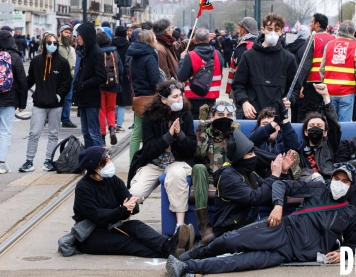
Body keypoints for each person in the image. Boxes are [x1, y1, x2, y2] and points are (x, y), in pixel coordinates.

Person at [166, 164, 356, 276]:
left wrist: (343, 253)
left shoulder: (351, 214)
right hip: (280, 230)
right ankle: (190, 256)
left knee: (238, 263)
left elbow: (353, 245)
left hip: (290, 255)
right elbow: (281, 186)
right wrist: (278, 206)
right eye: (337, 178)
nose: (339, 183)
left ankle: (185, 268)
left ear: (352, 185)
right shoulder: (318, 188)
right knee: (229, 240)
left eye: (345, 181)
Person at [72, 147, 188, 258]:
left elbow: (128, 200)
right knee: (129, 243)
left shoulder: (112, 180)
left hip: (111, 225)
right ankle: (171, 253)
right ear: (96, 166)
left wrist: (132, 205)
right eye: (106, 160)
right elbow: (97, 215)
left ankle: (167, 245)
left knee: (137, 226)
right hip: (90, 234)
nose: (110, 162)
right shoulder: (83, 187)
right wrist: (123, 209)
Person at [128, 80, 197, 251]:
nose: (179, 99)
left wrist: (179, 135)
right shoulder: (150, 117)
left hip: (179, 161)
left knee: (174, 176)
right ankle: (121, 223)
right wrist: (168, 136)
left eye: (180, 95)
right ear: (164, 99)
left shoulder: (186, 114)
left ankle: (180, 228)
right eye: (175, 96)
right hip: (155, 163)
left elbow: (191, 149)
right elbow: (149, 149)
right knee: (135, 192)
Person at [211, 129, 294, 237]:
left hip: (250, 225)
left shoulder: (249, 173)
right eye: (250, 154)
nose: (254, 157)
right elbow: (254, 197)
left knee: (284, 230)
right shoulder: (228, 176)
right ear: (240, 157)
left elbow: (269, 191)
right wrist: (274, 175)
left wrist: (283, 173)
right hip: (231, 232)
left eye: (254, 153)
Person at [18, 34, 72, 172]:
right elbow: (30, 79)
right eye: (49, 42)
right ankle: (29, 161)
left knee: (53, 133)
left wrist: (59, 96)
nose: (52, 45)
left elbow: (66, 82)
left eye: (54, 42)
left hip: (56, 105)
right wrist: (18, 87)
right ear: (44, 44)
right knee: (34, 133)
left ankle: (49, 160)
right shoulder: (36, 61)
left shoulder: (63, 62)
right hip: (39, 103)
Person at [232, 13, 299, 119]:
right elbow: (238, 84)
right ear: (263, 30)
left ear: (281, 32)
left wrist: (290, 99)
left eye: (276, 30)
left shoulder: (289, 58)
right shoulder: (248, 56)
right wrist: (244, 102)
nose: (272, 33)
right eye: (269, 29)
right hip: (252, 114)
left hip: (277, 116)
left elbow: (295, 87)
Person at [191, 101, 238, 245]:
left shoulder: (235, 133)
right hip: (208, 179)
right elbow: (199, 155)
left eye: (229, 115)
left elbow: (242, 158)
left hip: (227, 178)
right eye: (220, 115)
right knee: (198, 168)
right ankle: (204, 227)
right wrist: (202, 127)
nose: (225, 118)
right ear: (212, 116)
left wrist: (235, 134)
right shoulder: (204, 131)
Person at [320, 20, 356, 122]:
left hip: (329, 91)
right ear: (353, 32)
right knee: (344, 125)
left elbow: (322, 68)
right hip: (347, 91)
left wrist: (324, 82)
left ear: (339, 31)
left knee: (330, 123)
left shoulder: (329, 45)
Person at [127, 30, 160, 161]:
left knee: (137, 132)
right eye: (155, 39)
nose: (156, 41)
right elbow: (155, 80)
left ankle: (132, 162)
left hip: (139, 96)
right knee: (154, 131)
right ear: (150, 40)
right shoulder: (150, 56)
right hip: (151, 98)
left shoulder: (134, 56)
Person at [176, 28, 225, 118]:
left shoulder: (190, 55)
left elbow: (181, 77)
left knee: (195, 125)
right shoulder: (217, 54)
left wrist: (182, 60)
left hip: (193, 97)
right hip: (211, 96)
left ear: (194, 40)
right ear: (209, 39)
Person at [73, 22, 107, 149]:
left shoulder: (95, 52)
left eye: (79, 35)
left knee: (94, 132)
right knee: (86, 132)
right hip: (82, 97)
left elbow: (101, 76)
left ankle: (97, 159)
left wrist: (84, 84)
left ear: (86, 36)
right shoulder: (83, 51)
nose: (77, 38)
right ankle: (88, 158)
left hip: (91, 98)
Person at [298, 83, 342, 181]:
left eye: (319, 126)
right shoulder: (299, 148)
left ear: (325, 132)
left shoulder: (330, 145)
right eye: (312, 126)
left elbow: (334, 125)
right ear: (305, 132)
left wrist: (325, 96)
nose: (315, 128)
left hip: (328, 181)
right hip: (308, 183)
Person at [0, 31, 28, 173]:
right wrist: (22, 103)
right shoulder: (15, 57)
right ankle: (1, 163)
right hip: (9, 99)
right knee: (5, 131)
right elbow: (22, 81)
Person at [297, 13, 336, 116]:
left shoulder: (312, 38)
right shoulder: (334, 39)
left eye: (312, 22)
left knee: (313, 111)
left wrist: (301, 84)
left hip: (313, 81)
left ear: (317, 24)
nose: (311, 24)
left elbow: (306, 63)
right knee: (328, 108)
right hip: (329, 80)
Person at [225, 17, 259, 118]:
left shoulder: (242, 48)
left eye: (239, 28)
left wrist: (233, 92)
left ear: (244, 30)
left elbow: (237, 74)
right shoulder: (262, 45)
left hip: (244, 94)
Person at [97, 31, 124, 146]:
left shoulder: (97, 52)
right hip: (113, 85)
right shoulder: (115, 52)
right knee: (111, 109)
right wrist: (119, 83)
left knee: (101, 110)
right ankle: (112, 128)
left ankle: (102, 136)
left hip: (100, 86)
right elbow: (121, 69)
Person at [287, 25, 309, 122]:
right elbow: (305, 67)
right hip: (302, 83)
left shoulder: (291, 46)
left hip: (291, 82)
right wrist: (303, 84)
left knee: (294, 108)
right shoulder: (306, 47)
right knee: (302, 110)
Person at [112, 26, 132, 133]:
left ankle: (111, 123)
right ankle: (119, 124)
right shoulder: (128, 45)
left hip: (113, 74)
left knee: (112, 100)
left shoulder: (111, 44)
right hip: (125, 75)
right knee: (122, 101)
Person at [58, 25, 77, 129]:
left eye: (69, 33)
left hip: (70, 77)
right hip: (59, 77)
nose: (68, 35)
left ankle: (65, 119)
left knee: (68, 99)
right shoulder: (56, 45)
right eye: (66, 32)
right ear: (60, 33)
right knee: (58, 98)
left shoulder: (70, 47)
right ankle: (55, 118)